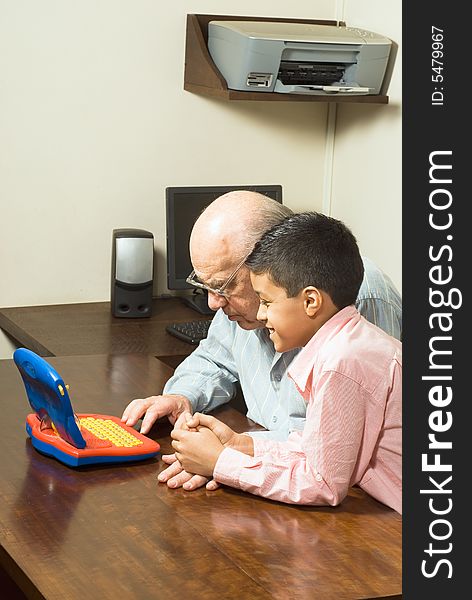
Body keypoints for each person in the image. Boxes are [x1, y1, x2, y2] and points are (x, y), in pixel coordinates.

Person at [121, 191, 402, 491]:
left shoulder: (359, 301)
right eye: (206, 286)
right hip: (281, 471)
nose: (214, 303)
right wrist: (182, 397)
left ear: (270, 258)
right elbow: (214, 359)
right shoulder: (238, 303)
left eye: (222, 286)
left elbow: (335, 458)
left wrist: (224, 459)